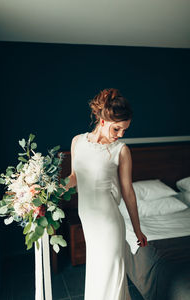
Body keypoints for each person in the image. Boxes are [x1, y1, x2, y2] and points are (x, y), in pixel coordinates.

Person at [64, 88, 148, 300]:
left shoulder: (121, 150)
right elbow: (74, 178)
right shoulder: (77, 142)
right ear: (102, 121)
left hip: (110, 224)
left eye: (124, 131)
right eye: (117, 129)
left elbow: (128, 193)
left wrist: (137, 230)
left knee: (111, 280)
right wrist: (50, 189)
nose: (120, 135)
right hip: (89, 221)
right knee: (97, 275)